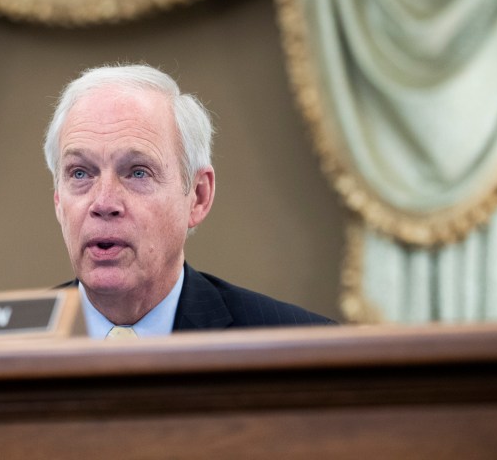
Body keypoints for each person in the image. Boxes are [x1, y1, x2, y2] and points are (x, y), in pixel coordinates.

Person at [43, 64, 335, 339]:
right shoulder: (7, 343)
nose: (104, 202)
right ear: (58, 200)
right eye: (80, 173)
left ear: (198, 196)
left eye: (138, 172)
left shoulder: (302, 345)